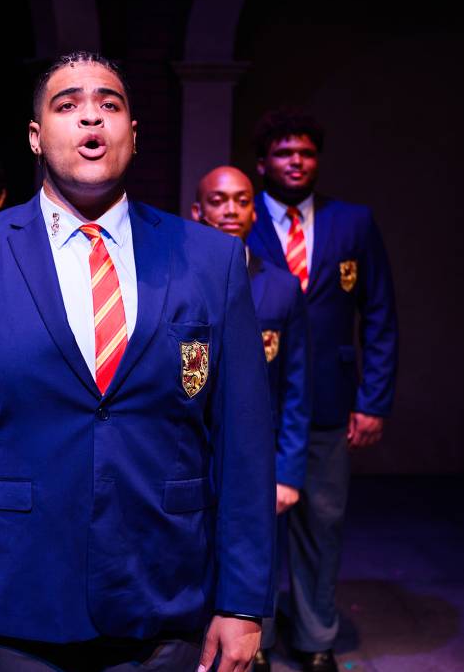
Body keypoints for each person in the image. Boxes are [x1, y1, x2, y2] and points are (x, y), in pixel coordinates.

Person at [0, 51, 276, 672]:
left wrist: (243, 603)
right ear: (35, 136)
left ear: (135, 133)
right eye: (67, 105)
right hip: (11, 609)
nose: (91, 120)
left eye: (110, 104)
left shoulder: (211, 261)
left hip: (166, 600)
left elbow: (243, 445)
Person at [246, 109, 398, 672]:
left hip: (331, 399)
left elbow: (379, 311)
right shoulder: (241, 216)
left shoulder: (352, 222)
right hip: (259, 402)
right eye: (285, 153)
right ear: (264, 163)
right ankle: (254, 638)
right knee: (255, 526)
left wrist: (373, 399)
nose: (296, 162)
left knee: (323, 522)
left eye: (306, 153)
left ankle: (314, 638)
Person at [191, 166, 311, 672]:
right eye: (218, 201)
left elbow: (297, 385)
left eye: (241, 201)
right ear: (198, 211)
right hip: (193, 449)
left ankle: (252, 640)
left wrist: (288, 469)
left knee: (253, 545)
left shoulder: (281, 288)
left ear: (253, 211)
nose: (229, 211)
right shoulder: (177, 278)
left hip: (255, 451)